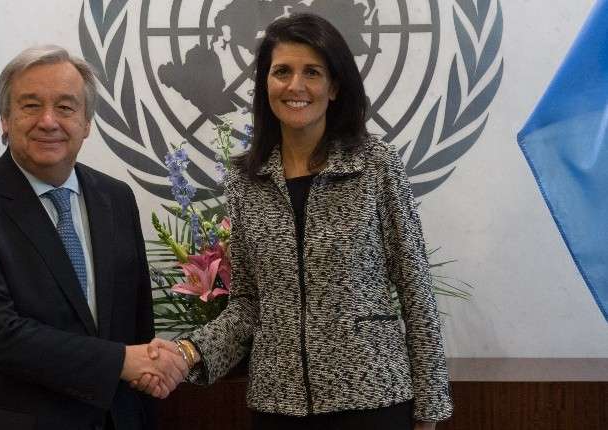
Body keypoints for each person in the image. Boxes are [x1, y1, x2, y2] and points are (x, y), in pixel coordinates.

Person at [136, 13, 453, 429]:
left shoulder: (376, 164)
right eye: (281, 72)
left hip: (372, 401)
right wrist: (186, 354)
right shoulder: (245, 179)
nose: (295, 86)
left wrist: (430, 411)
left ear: (335, 86)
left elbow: (415, 289)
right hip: (277, 406)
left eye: (312, 72)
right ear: (265, 83)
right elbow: (248, 304)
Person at [0, 45, 186, 430]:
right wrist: (122, 361)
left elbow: (136, 322)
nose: (48, 121)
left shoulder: (116, 198)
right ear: (5, 119)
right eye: (30, 106)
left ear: (86, 123)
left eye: (66, 108)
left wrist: (146, 378)